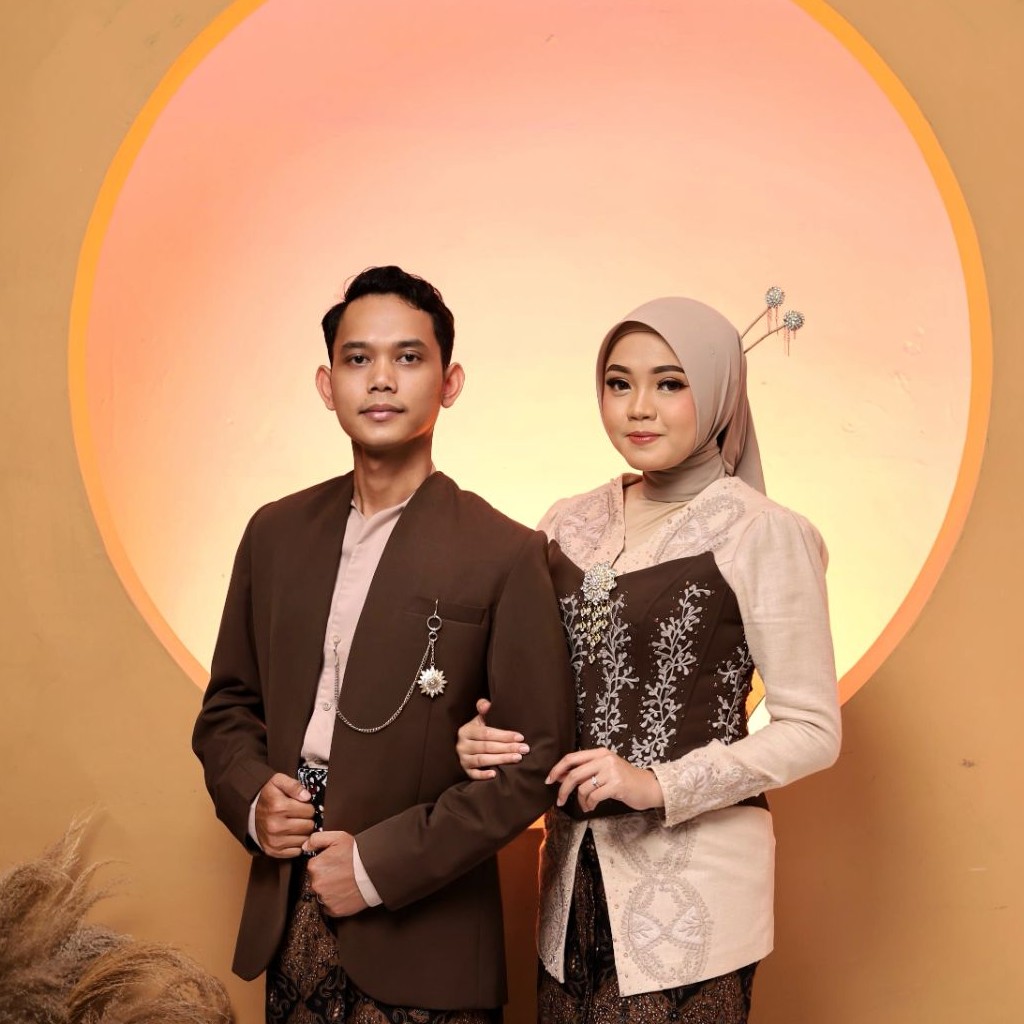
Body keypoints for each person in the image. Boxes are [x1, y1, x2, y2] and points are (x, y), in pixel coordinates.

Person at [192, 265, 575, 1024]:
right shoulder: (274, 533)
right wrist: (253, 801)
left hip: (426, 934)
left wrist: (376, 866)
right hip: (288, 911)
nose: (381, 380)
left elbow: (534, 759)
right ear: (326, 383)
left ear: (450, 382)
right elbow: (228, 707)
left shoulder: (506, 552)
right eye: (358, 358)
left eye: (409, 357)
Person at [456, 297, 842, 1023]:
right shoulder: (566, 522)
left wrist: (656, 782)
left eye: (670, 383)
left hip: (696, 898)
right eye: (619, 383)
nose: (639, 407)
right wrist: (482, 736)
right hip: (569, 888)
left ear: (720, 391)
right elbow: (529, 687)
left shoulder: (764, 533)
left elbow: (813, 729)